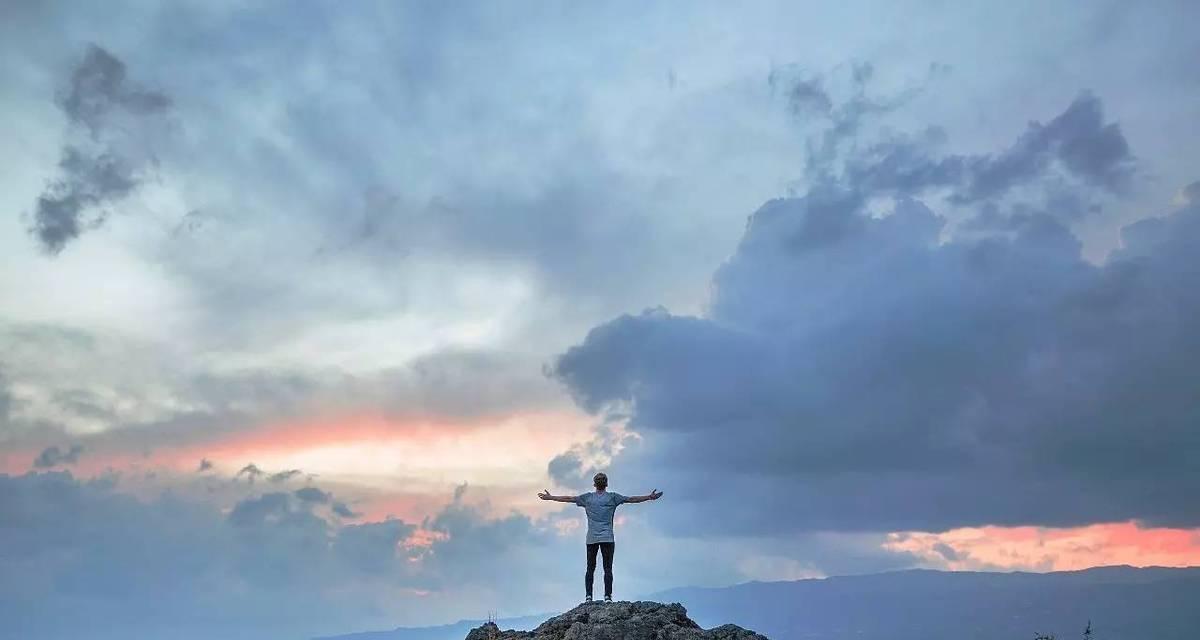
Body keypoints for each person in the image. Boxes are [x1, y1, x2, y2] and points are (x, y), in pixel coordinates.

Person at [538, 472, 663, 603]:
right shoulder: (613, 497)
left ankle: (588, 597)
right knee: (607, 568)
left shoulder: (587, 498)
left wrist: (551, 497)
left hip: (592, 538)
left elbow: (569, 498)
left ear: (594, 484)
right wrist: (649, 497)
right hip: (607, 538)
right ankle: (608, 597)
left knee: (590, 568)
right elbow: (631, 499)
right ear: (606, 484)